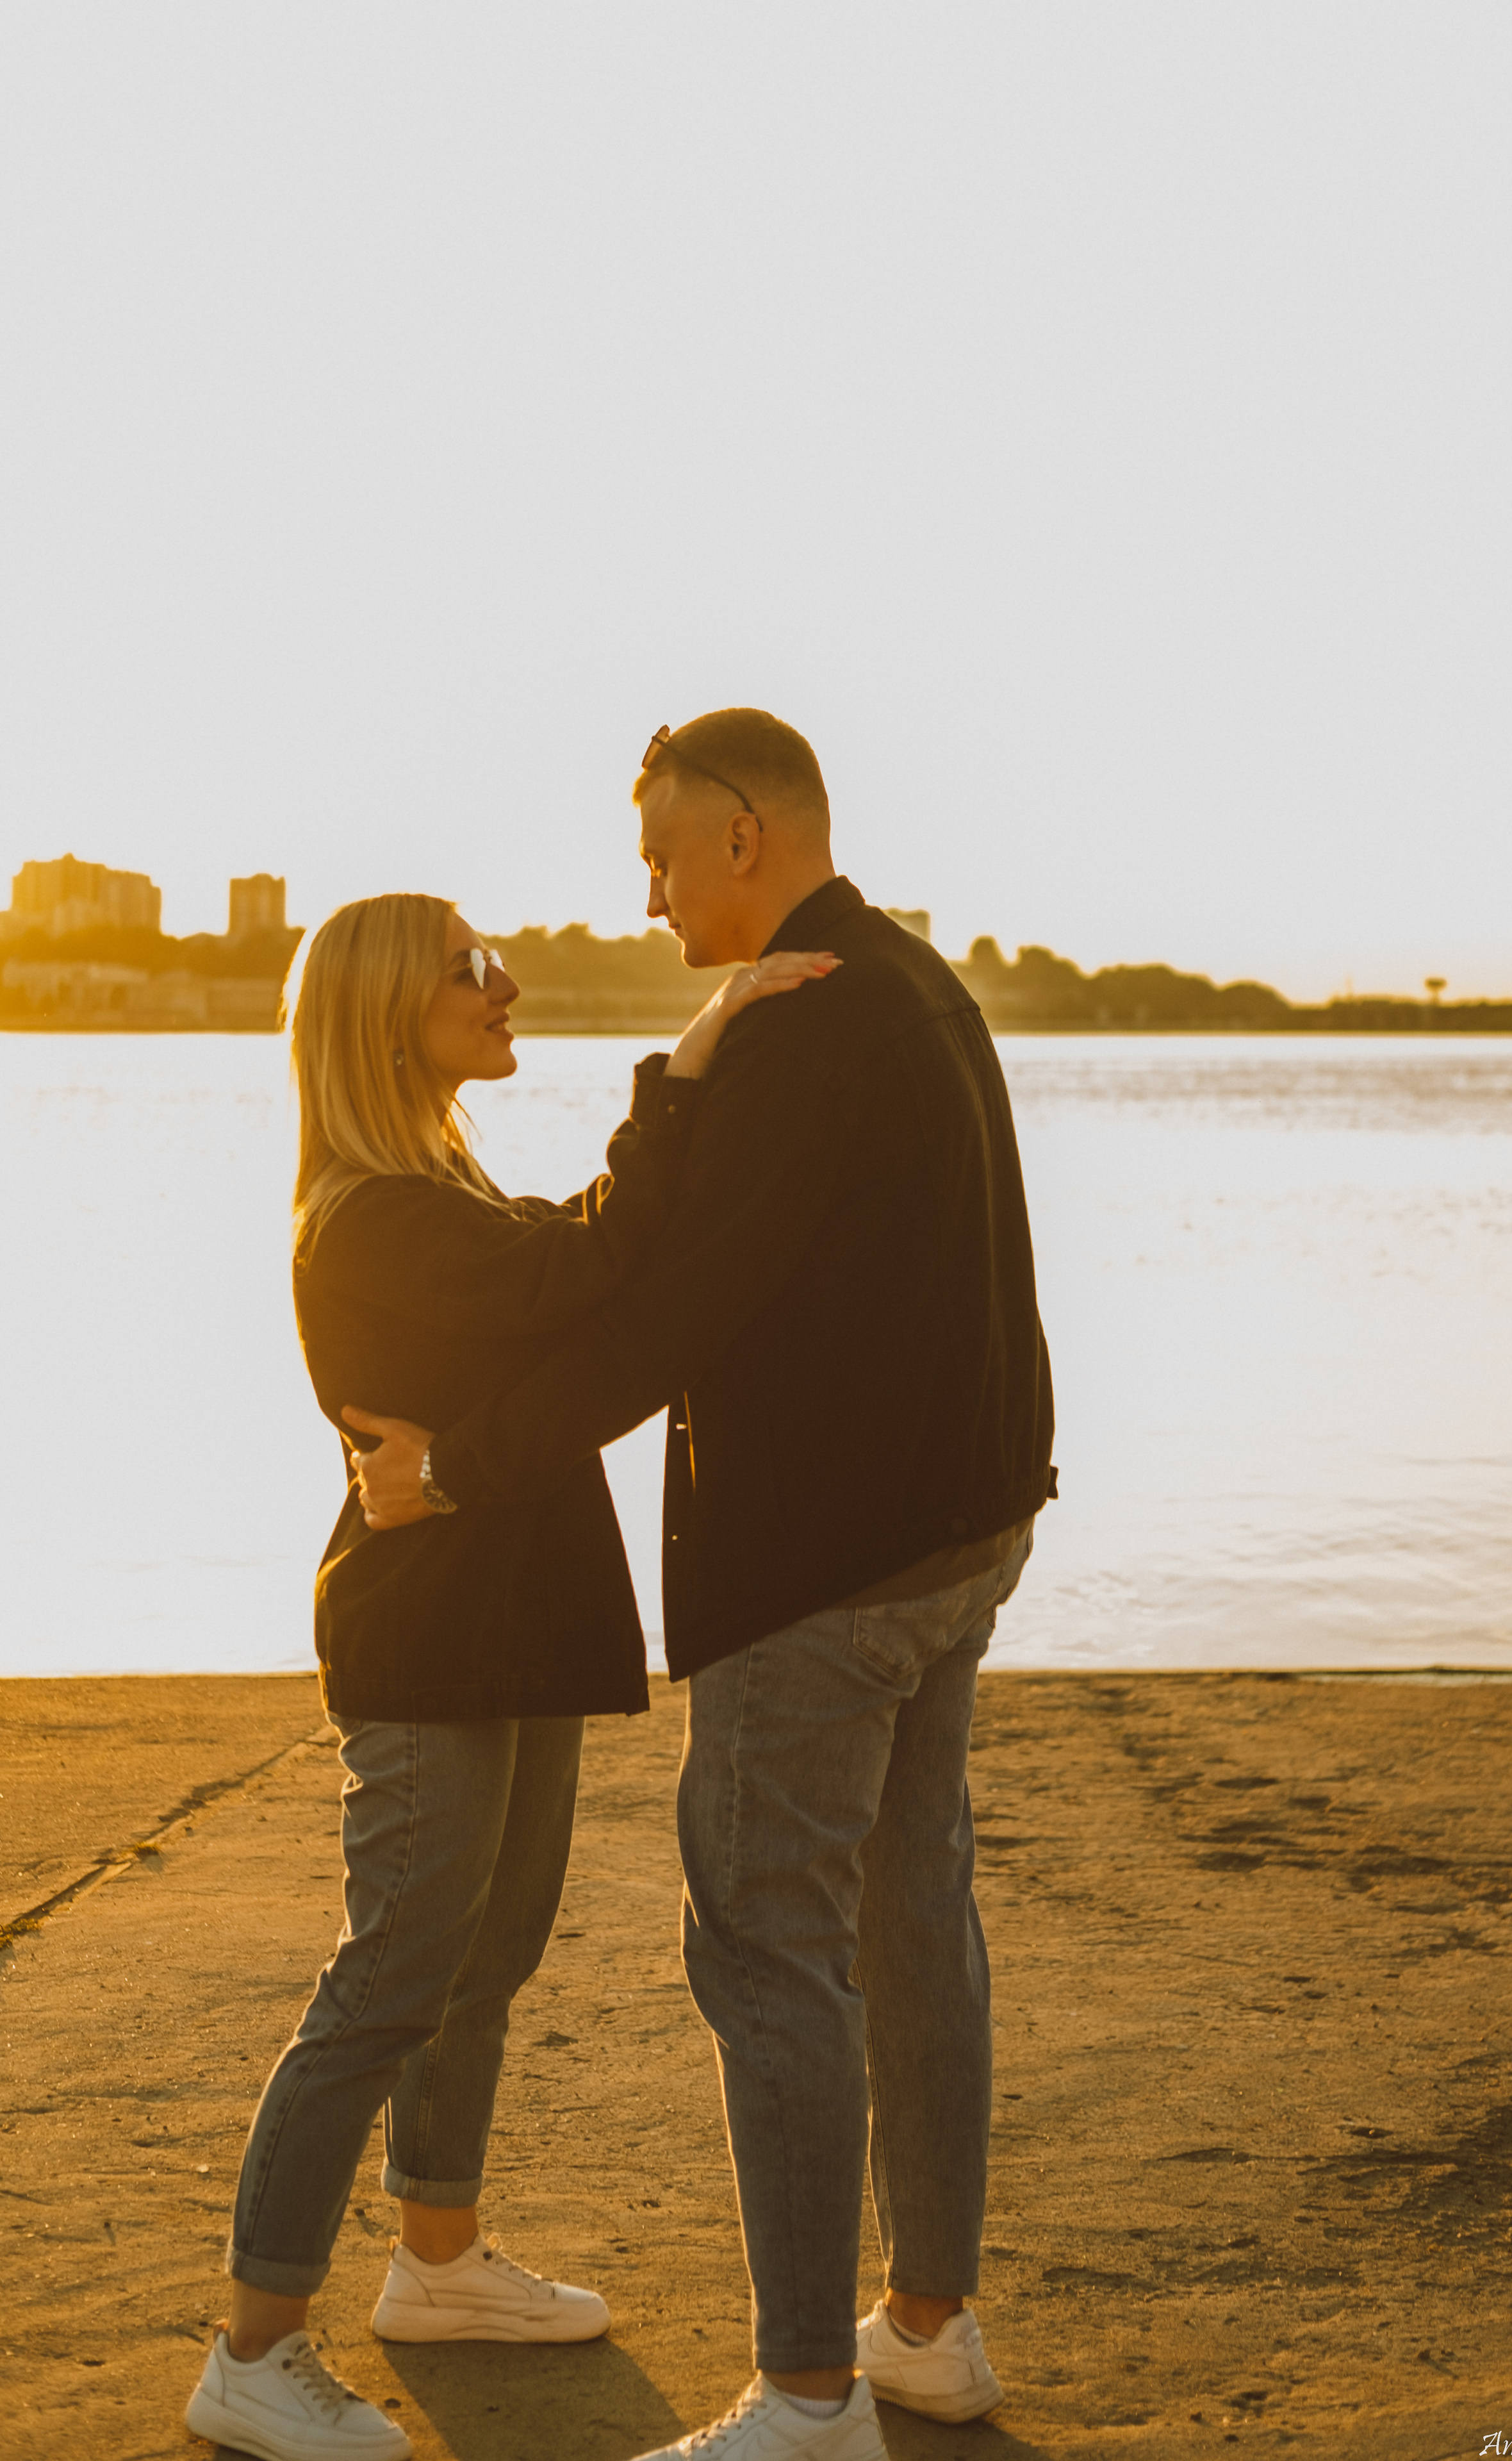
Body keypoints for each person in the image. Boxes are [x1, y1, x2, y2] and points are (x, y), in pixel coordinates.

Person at [353, 711, 1055, 2461]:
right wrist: (679, 1072)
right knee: (913, 1920)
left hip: (829, 1567)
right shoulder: (920, 987)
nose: (646, 892)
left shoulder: (808, 1032)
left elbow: (666, 1315)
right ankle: (929, 2334)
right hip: (962, 1534)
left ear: (744, 837)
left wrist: (453, 1469)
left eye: (661, 856)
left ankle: (810, 2395)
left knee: (767, 1949)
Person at [186, 890, 837, 2461]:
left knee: (487, 1955)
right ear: (383, 1011)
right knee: (393, 1974)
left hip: (511, 1615)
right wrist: (683, 1063)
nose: (507, 983)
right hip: (430, 1639)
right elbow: (592, 1273)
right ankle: (253, 2349)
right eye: (469, 969)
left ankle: (439, 2263)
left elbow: (569, 1281)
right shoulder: (375, 1216)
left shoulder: (437, 1181)